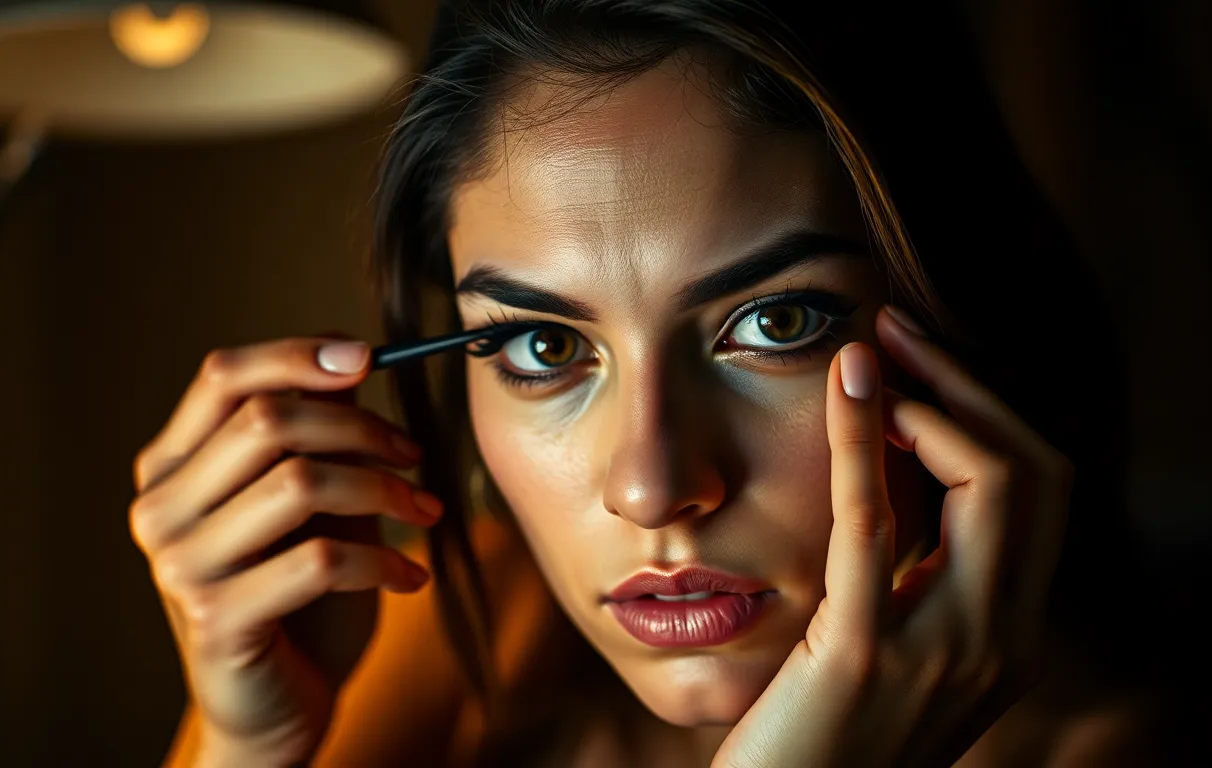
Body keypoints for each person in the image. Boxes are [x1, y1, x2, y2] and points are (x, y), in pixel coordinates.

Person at [131, 1, 1159, 765]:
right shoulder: (454, 631)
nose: (652, 488)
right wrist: (247, 749)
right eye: (543, 346)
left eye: (777, 323)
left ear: (957, 312)